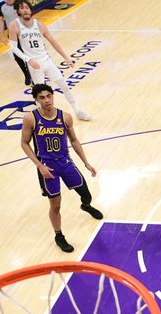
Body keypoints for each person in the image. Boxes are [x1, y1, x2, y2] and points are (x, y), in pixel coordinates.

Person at [20, 84, 103, 253]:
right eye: (42, 97)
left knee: (86, 194)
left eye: (49, 96)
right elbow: (24, 143)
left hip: (66, 163)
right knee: (56, 206)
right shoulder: (31, 118)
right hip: (48, 168)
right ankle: (59, 236)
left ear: (53, 96)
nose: (47, 100)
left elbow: (73, 140)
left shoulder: (65, 116)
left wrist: (86, 162)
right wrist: (39, 165)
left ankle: (85, 206)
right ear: (36, 99)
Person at [8, 0, 91, 120]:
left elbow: (53, 41)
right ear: (18, 11)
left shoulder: (39, 24)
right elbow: (14, 48)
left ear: (31, 10)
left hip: (47, 61)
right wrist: (28, 60)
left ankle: (77, 111)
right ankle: (42, 118)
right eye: (22, 8)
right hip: (34, 64)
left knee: (64, 85)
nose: (25, 10)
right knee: (40, 94)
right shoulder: (14, 25)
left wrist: (66, 57)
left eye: (27, 7)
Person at [0, 0, 31, 85]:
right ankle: (27, 75)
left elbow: (28, 15)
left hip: (25, 32)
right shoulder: (1, 5)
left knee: (29, 52)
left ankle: (32, 71)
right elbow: (0, 21)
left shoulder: (21, 2)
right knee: (17, 56)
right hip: (12, 35)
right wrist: (3, 36)